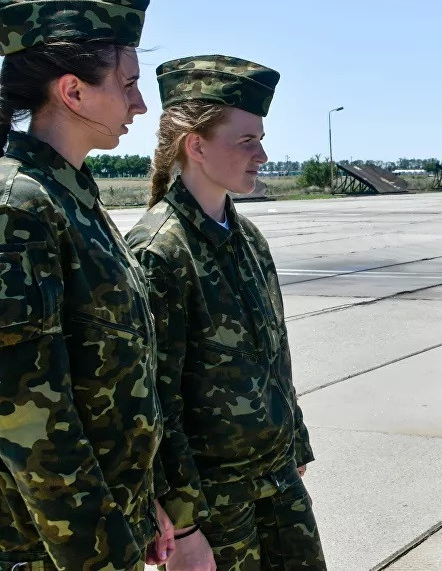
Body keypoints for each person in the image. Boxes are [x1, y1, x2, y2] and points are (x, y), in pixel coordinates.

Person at [0, 0, 173, 569]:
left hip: (98, 525)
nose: (140, 104)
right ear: (73, 91)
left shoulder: (70, 196)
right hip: (50, 547)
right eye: (128, 84)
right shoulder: (17, 206)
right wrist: (102, 552)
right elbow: (28, 415)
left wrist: (141, 502)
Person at [126, 55, 325, 570]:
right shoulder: (159, 251)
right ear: (196, 145)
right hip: (213, 503)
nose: (262, 153)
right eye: (247, 141)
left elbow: (275, 355)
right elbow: (154, 399)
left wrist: (294, 442)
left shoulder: (248, 240)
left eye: (260, 138)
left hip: (277, 479)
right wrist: (183, 523)